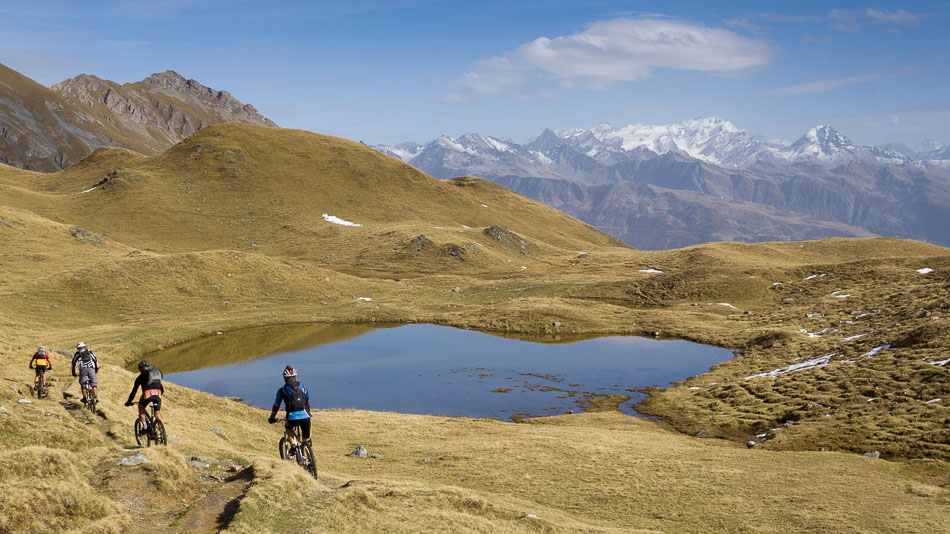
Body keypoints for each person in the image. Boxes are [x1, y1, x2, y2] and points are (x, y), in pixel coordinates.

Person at [268, 365, 312, 451]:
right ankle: (311, 461)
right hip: (306, 416)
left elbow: (276, 405)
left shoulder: (282, 390)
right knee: (307, 441)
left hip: (292, 417)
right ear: (295, 377)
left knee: (288, 428)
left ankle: (293, 445)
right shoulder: (304, 388)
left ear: (284, 378)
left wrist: (272, 417)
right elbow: (308, 401)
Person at [125, 360, 164, 433]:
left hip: (147, 394)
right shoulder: (155, 374)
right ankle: (162, 432)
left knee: (141, 407)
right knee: (157, 414)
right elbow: (162, 389)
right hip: (158, 393)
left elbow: (134, 391)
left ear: (140, 369)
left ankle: (145, 427)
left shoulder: (140, 376)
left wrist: (129, 402)